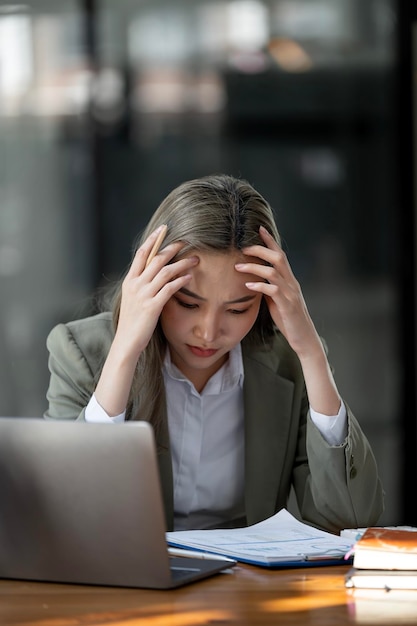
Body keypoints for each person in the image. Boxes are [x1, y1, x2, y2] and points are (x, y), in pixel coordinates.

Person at [45, 173, 384, 533]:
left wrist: (312, 353)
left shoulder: (288, 363)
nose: (209, 332)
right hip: (133, 586)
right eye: (187, 303)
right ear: (149, 281)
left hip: (247, 586)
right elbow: (64, 516)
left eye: (238, 309)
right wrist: (126, 351)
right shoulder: (80, 352)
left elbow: (351, 520)